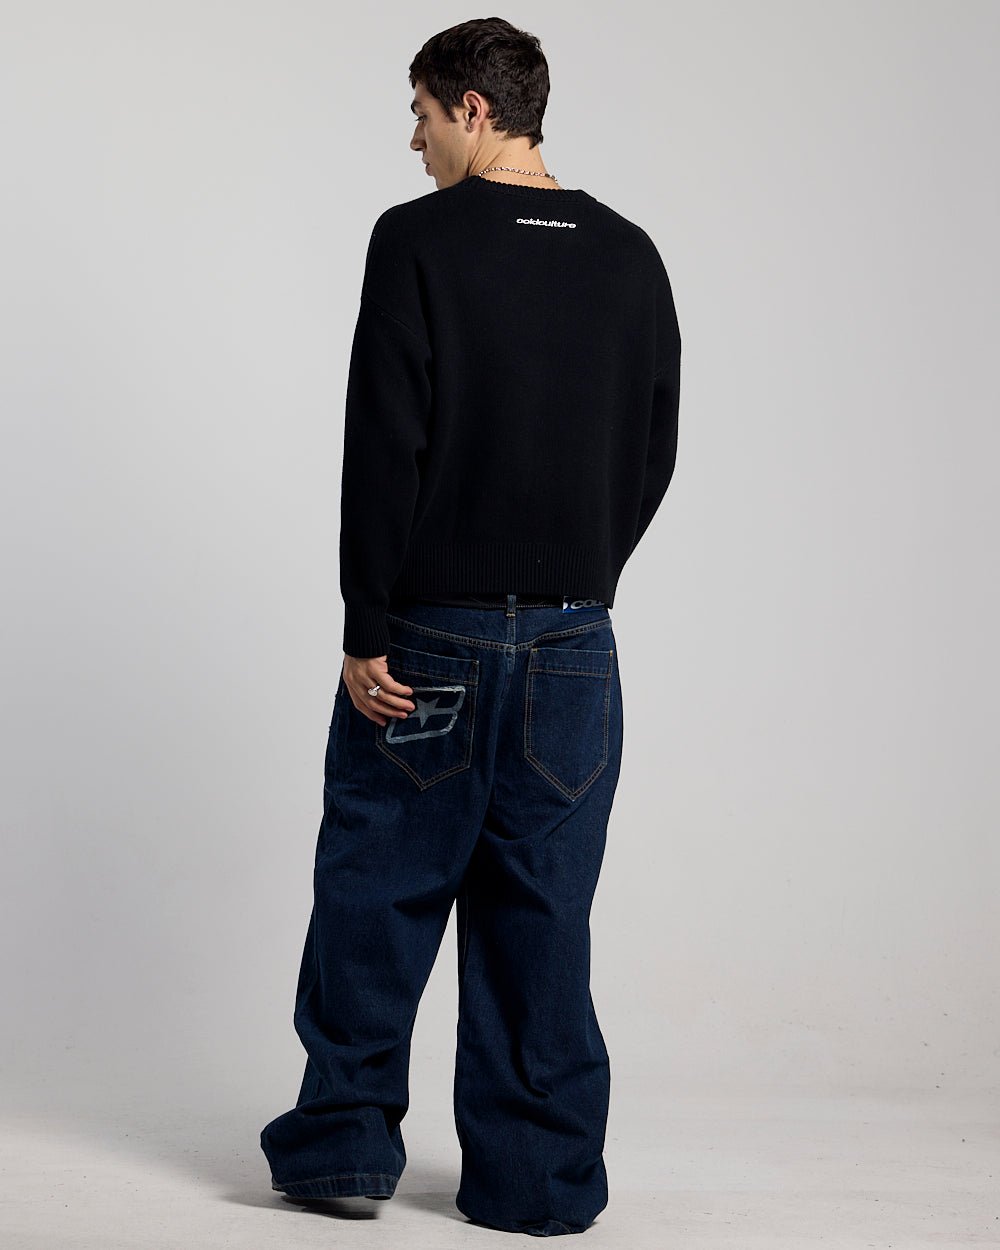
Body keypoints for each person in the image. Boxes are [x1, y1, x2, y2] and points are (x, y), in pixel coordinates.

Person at [259, 15, 682, 1238]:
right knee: (539, 911)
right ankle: (536, 1182)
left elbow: (383, 440)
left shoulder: (418, 239)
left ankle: (344, 1147)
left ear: (475, 110)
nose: (415, 140)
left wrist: (366, 623)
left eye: (422, 115)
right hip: (574, 647)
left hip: (429, 634)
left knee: (378, 889)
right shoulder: (629, 254)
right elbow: (652, 448)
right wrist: (579, 579)